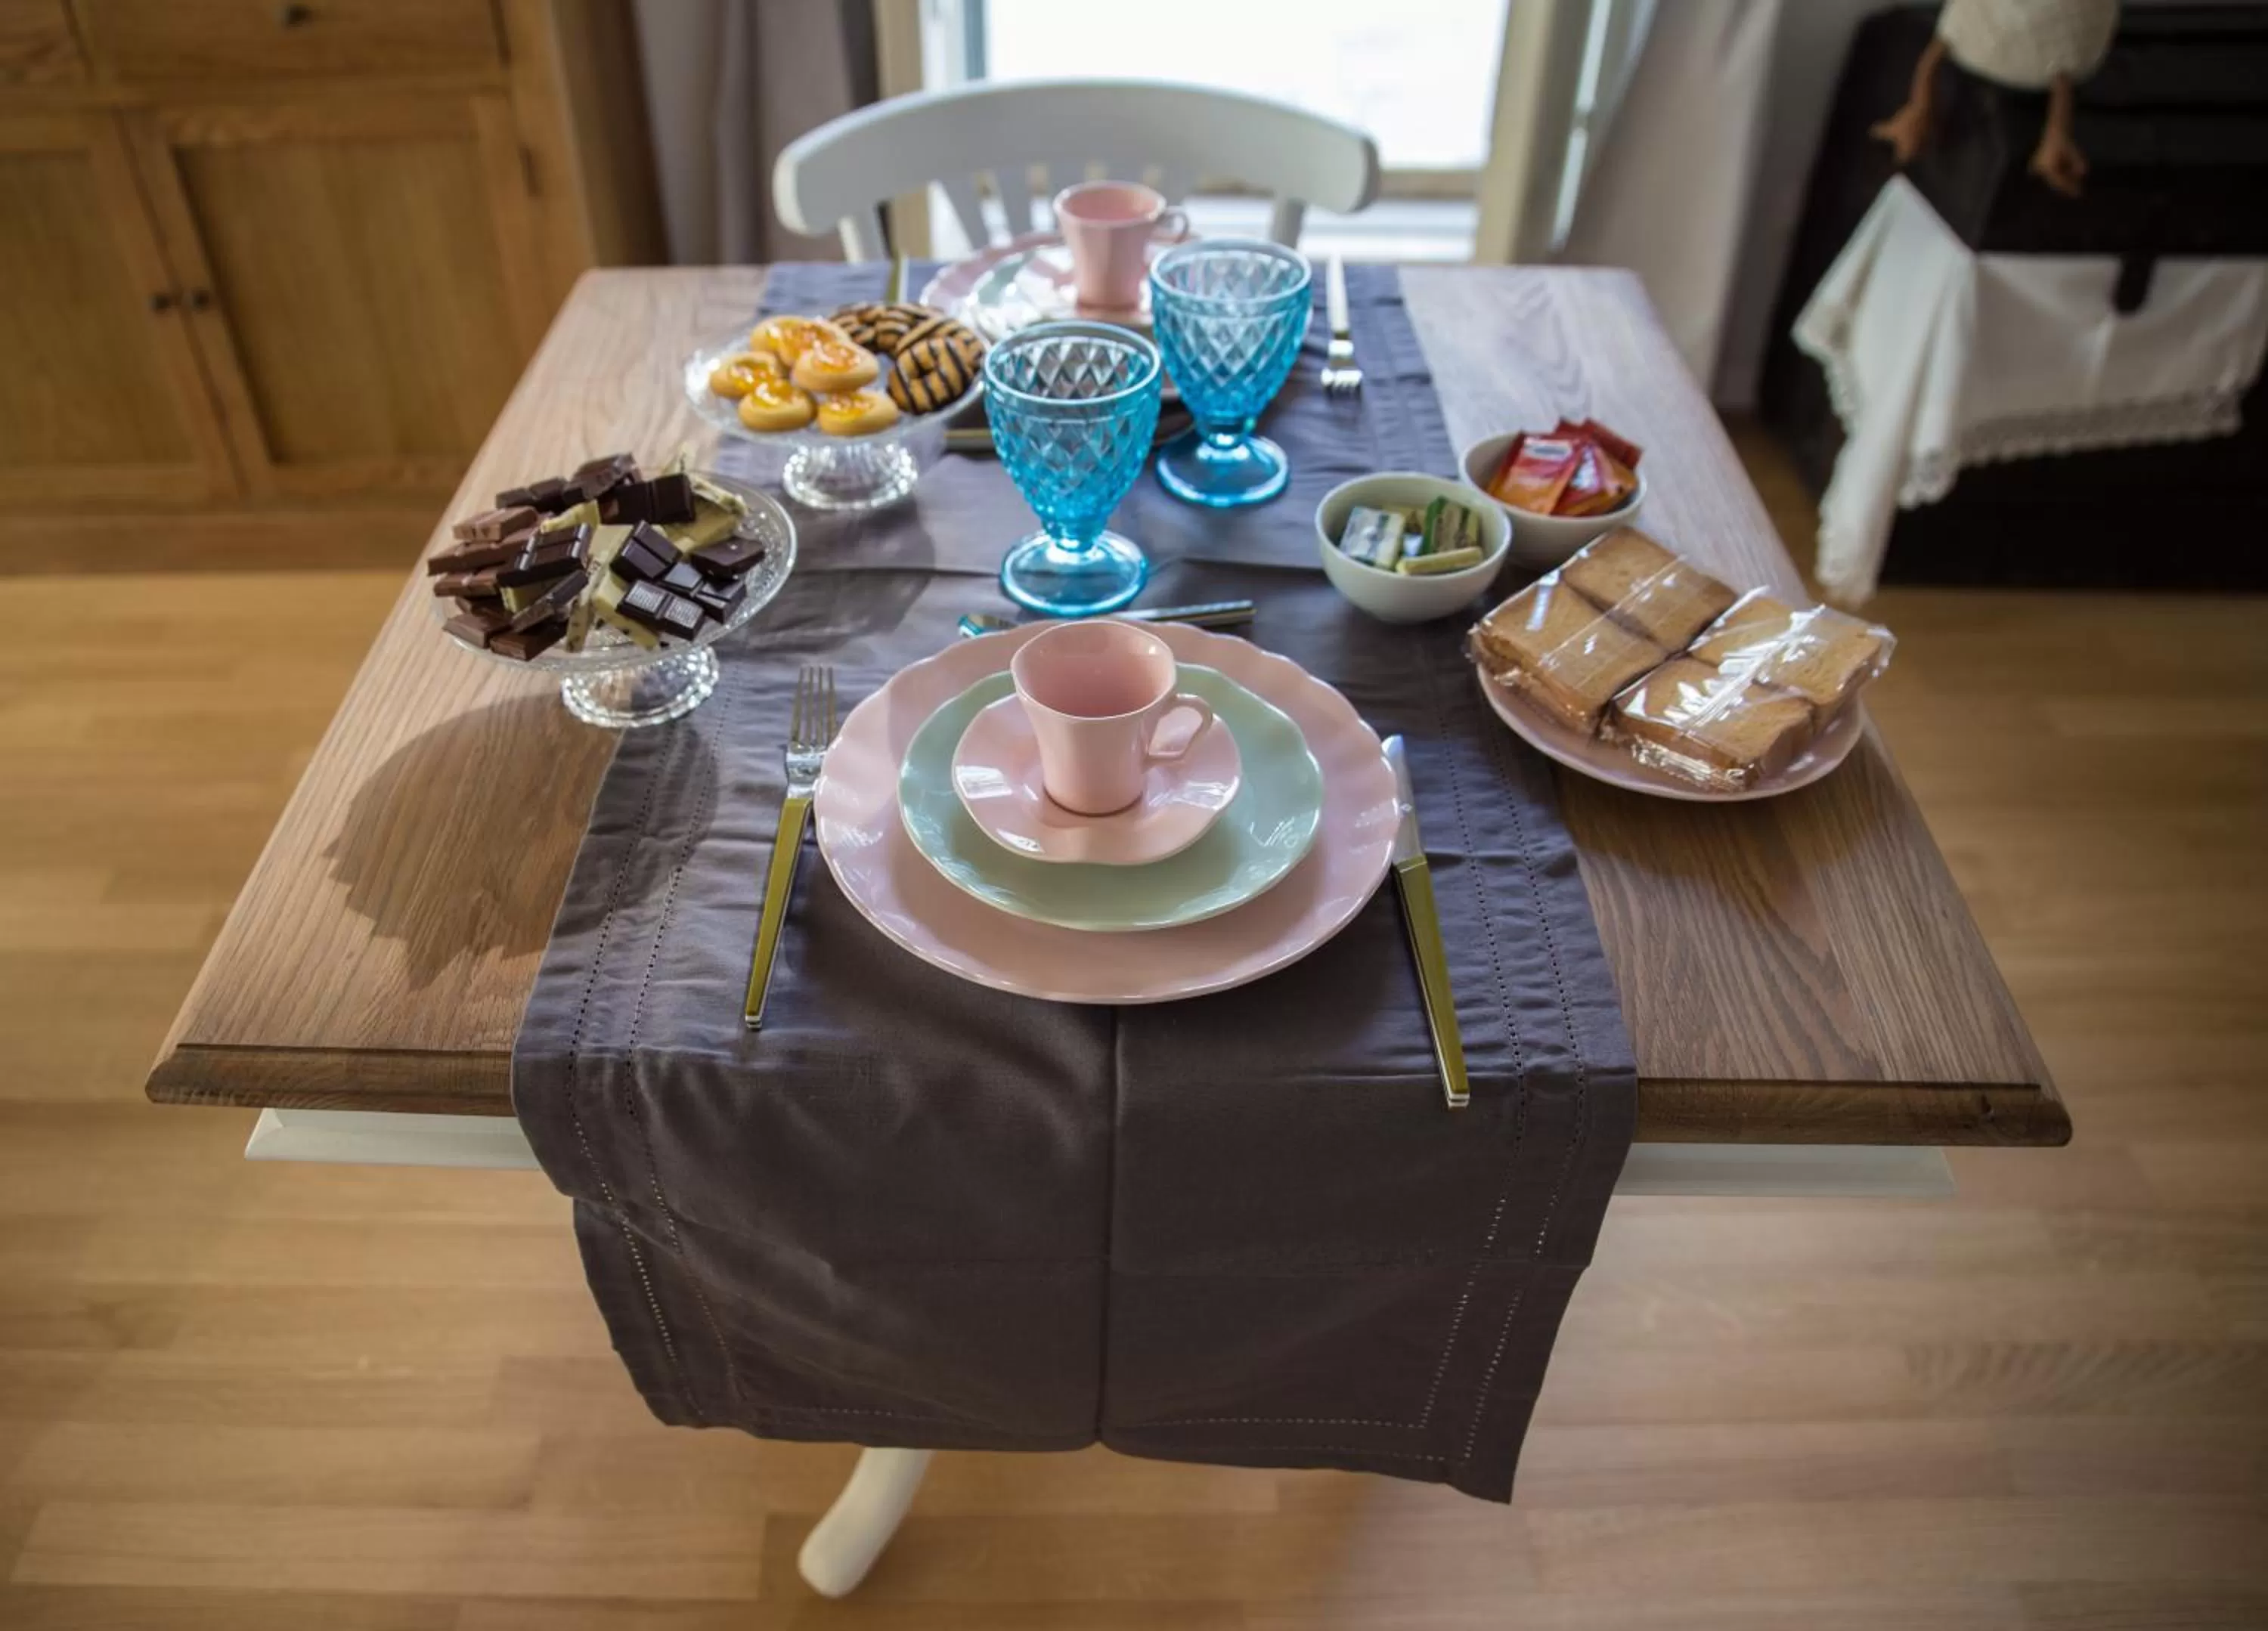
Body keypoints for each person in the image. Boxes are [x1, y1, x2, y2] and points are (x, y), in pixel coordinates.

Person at [1870, 0, 2119, 198]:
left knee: (2059, 57)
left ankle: (2052, 147)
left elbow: (2064, 66)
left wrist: (2057, 134)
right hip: (1976, 49)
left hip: (2036, 62)